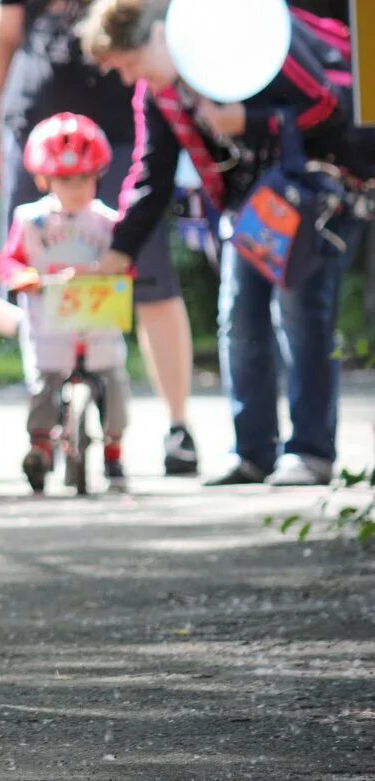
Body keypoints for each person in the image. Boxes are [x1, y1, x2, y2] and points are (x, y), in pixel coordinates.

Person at [79, 0, 371, 486]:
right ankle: (253, 452)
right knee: (239, 313)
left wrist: (252, 122)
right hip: (254, 203)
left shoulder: (243, 38)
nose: (130, 80)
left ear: (155, 37)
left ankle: (310, 452)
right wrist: (118, 250)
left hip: (325, 189)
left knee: (301, 312)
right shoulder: (161, 94)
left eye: (129, 66)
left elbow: (332, 107)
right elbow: (151, 176)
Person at [0, 0, 201, 476]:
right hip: (36, 130)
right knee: (32, 275)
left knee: (151, 279)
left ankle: (177, 424)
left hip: (120, 135)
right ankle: (45, 413)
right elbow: (3, 35)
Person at [0, 113, 131, 493]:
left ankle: (114, 450)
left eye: (85, 179)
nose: (77, 188)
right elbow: (9, 261)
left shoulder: (108, 223)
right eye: (66, 180)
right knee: (43, 387)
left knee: (114, 384)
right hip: (50, 326)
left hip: (98, 325)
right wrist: (21, 277)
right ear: (45, 180)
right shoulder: (31, 221)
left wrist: (121, 276)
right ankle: (39, 447)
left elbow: (126, 263)